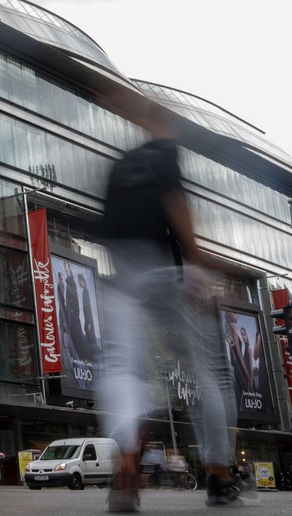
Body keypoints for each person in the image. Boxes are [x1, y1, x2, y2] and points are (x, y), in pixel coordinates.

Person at [97, 100, 238, 510]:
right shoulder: (165, 151)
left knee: (123, 365)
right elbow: (175, 203)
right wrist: (195, 263)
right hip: (166, 268)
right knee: (208, 371)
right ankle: (219, 475)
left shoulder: (122, 163)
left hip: (123, 272)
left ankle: (126, 461)